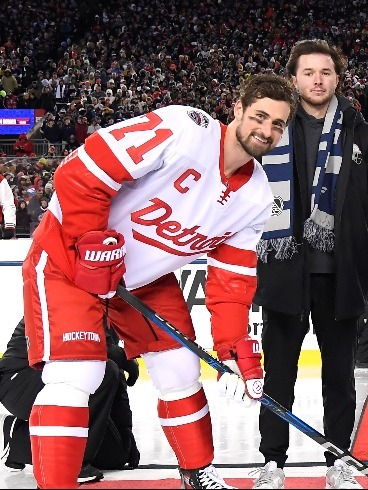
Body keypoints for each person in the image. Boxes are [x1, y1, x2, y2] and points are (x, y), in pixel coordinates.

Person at [22, 73, 297, 489]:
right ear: (237, 109)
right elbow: (85, 166)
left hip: (142, 281)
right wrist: (89, 243)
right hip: (68, 258)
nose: (267, 130)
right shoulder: (185, 128)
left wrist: (233, 350)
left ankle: (196, 471)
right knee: (77, 374)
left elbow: (231, 282)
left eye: (278, 124)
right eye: (260, 116)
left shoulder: (258, 195)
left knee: (180, 368)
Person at [252, 39, 368, 490]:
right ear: (293, 79)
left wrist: (354, 243)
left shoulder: (361, 132)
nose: (316, 79)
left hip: (340, 275)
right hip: (284, 271)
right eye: (308, 72)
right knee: (279, 375)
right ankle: (272, 462)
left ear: (337, 79)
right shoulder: (273, 130)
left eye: (325, 72)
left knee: (339, 377)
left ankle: (339, 460)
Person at [1, 318, 140, 481]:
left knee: (116, 456)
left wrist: (126, 438)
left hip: (64, 378)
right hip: (20, 380)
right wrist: (123, 357)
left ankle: (19, 439)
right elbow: (88, 347)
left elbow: (117, 381)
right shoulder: (69, 297)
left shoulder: (109, 309)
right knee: (105, 368)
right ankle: (75, 463)